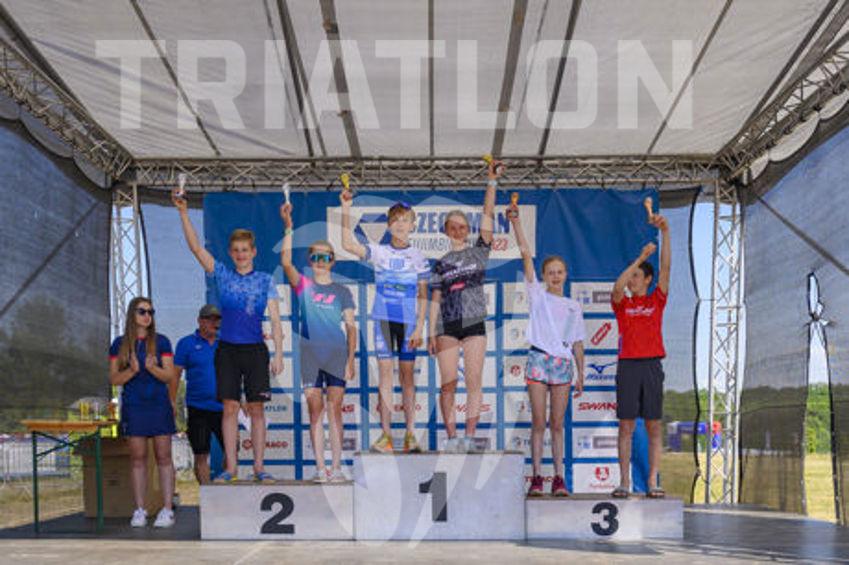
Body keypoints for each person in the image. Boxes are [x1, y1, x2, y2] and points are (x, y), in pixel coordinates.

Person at [172, 189, 284, 483]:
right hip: (228, 350)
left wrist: (279, 354)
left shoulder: (265, 280)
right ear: (231, 253)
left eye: (245, 250)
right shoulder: (223, 274)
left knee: (256, 409)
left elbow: (275, 319)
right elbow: (196, 249)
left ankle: (259, 467)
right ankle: (232, 468)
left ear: (254, 252)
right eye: (236, 250)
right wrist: (183, 213)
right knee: (230, 408)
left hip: (255, 349)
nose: (241, 254)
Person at [341, 191, 429, 453]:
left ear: (413, 226)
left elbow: (423, 295)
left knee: (407, 378)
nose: (400, 225)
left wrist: (420, 326)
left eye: (405, 220)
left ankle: (411, 434)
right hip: (383, 320)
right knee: (386, 376)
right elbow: (347, 244)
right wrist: (345, 208)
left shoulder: (419, 257)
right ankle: (386, 435)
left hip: (408, 323)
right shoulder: (379, 252)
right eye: (396, 220)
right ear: (389, 226)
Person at [508, 200, 585, 497]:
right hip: (539, 361)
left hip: (563, 365)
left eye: (559, 271)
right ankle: (537, 477)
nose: (555, 276)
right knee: (539, 422)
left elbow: (577, 343)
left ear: (565, 274)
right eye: (550, 272)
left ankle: (559, 478)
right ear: (543, 276)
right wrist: (517, 224)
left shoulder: (574, 306)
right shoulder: (537, 295)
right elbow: (526, 254)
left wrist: (581, 374)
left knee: (557, 424)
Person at [280, 201, 357, 482]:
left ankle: (336, 468)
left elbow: (351, 328)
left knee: (335, 410)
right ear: (311, 260)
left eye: (326, 257)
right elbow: (286, 263)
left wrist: (351, 360)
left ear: (333, 261)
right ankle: (320, 469)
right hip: (310, 356)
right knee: (315, 411)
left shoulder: (342, 291)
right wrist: (288, 228)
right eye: (316, 257)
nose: (321, 261)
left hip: (336, 355)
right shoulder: (304, 285)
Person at [428, 159, 501, 452]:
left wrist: (491, 182)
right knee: (448, 383)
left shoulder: (478, 253)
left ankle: (469, 437)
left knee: (473, 381)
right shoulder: (441, 263)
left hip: (473, 322)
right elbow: (435, 298)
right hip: (446, 325)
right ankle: (451, 438)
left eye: (462, 226)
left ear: (468, 229)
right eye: (453, 227)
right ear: (446, 231)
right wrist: (431, 333)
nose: (458, 230)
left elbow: (488, 215)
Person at [611, 212, 670, 499]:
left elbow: (666, 268)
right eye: (631, 275)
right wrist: (639, 258)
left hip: (651, 365)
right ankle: (624, 482)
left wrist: (666, 232)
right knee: (626, 425)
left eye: (637, 275)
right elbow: (617, 287)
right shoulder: (622, 304)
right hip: (628, 366)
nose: (632, 279)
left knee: (653, 425)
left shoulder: (657, 299)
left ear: (648, 279)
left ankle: (652, 481)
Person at [108, 297, 177, 527]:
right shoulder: (119, 344)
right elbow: (114, 378)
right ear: (132, 314)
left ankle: (167, 509)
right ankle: (140, 509)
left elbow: (169, 376)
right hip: (134, 406)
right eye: (142, 311)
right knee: (138, 458)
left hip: (158, 405)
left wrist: (152, 368)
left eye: (151, 312)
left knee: (164, 456)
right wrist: (132, 371)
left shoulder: (162, 341)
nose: (147, 316)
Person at [172, 304, 224, 485]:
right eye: (210, 319)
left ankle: (226, 491)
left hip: (224, 407)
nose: (214, 323)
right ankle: (207, 493)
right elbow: (175, 375)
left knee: (233, 450)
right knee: (201, 454)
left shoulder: (225, 343)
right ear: (200, 321)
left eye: (217, 319)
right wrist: (172, 401)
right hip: (198, 407)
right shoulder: (186, 343)